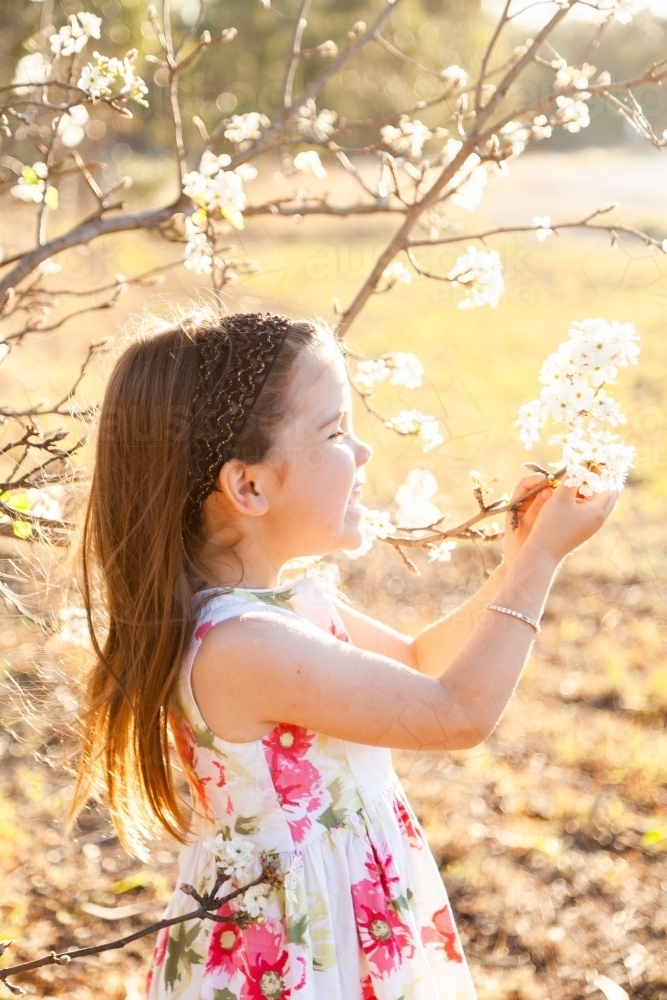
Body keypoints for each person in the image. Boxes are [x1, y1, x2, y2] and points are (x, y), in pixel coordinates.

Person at [72, 308, 617, 1000]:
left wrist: (515, 557)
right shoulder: (243, 645)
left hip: (340, 906)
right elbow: (456, 714)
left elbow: (419, 663)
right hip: (297, 944)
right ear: (250, 486)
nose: (361, 454)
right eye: (334, 432)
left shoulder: (286, 607)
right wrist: (542, 558)